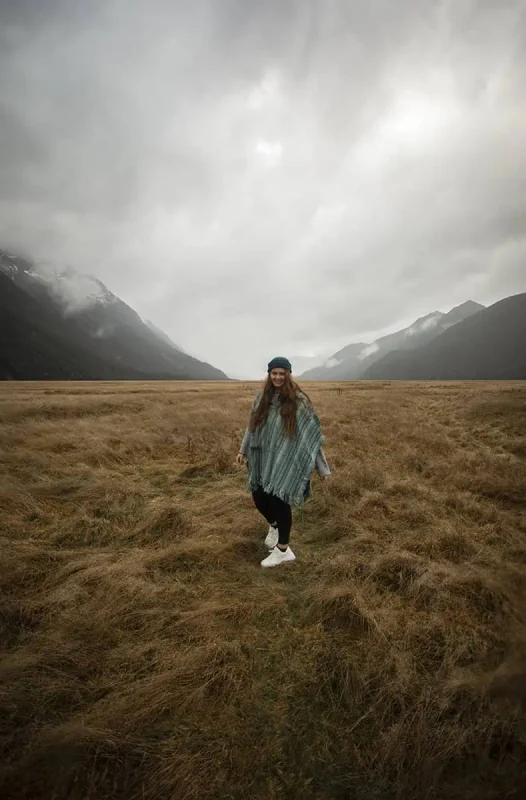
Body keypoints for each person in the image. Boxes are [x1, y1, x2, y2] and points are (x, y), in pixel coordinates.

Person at [236, 356, 331, 568]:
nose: (278, 377)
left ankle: (283, 550)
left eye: (282, 373)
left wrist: (323, 469)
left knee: (279, 500)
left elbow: (311, 438)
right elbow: (251, 427)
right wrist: (243, 450)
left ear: (288, 375)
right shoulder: (262, 399)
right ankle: (274, 526)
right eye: (274, 373)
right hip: (262, 457)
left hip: (283, 462)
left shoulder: (298, 401)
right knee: (259, 496)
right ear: (269, 375)